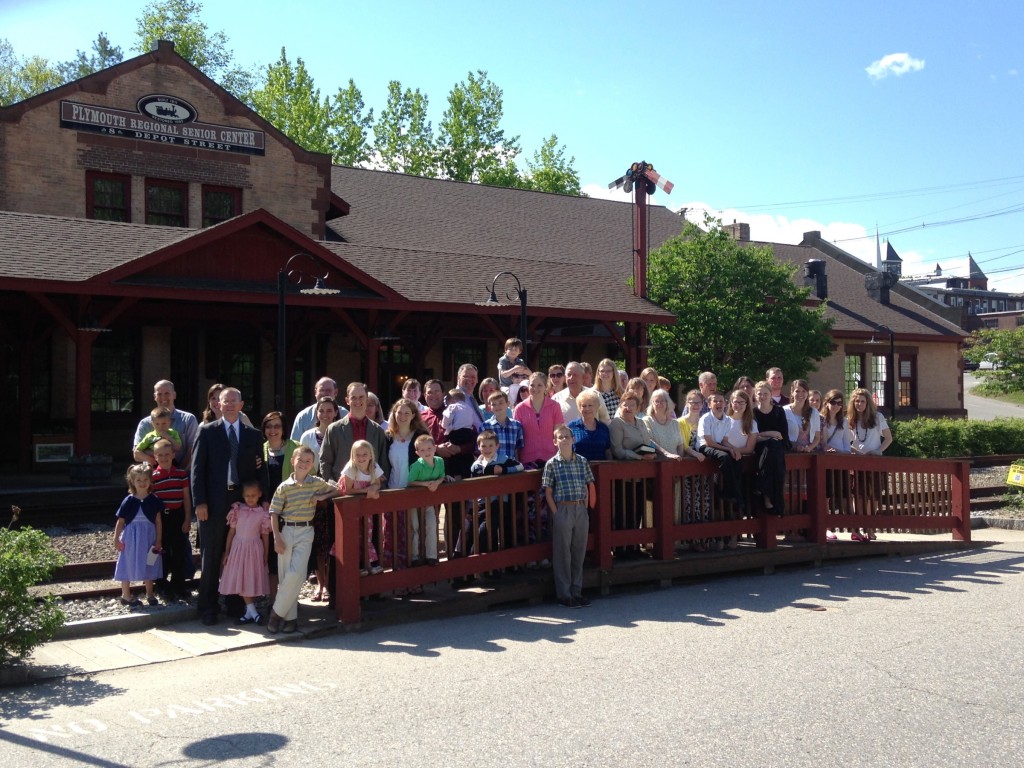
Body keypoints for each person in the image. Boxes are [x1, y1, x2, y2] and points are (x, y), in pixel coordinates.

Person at [191, 386, 267, 626]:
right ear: (218, 405)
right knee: (212, 555)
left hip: (242, 501)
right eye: (226, 401)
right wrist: (199, 502)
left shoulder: (253, 435)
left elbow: (260, 470)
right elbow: (196, 471)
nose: (230, 405)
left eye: (235, 401)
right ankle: (208, 606)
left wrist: (263, 502)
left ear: (241, 405)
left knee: (238, 554)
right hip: (213, 502)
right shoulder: (207, 432)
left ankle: (235, 604)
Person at [267, 446, 342, 634]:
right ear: (293, 461)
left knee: (297, 574)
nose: (304, 464)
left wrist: (322, 496)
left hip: (306, 530)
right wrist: (276, 538)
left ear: (313, 465)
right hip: (286, 530)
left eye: (308, 462)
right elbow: (274, 513)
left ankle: (276, 613)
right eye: (300, 460)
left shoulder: (315, 483)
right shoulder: (283, 487)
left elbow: (339, 490)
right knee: (285, 576)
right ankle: (290, 619)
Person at [543, 424, 596, 608]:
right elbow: (548, 491)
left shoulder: (582, 461)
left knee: (578, 551)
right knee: (562, 553)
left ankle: (577, 591)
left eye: (567, 436)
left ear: (573, 439)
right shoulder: (552, 464)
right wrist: (556, 513)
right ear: (555, 442)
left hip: (580, 508)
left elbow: (588, 484)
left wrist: (585, 507)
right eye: (560, 437)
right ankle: (564, 594)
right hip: (563, 509)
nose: (564, 440)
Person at [383, 398, 430, 572]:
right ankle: (395, 572)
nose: (402, 416)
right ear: (394, 414)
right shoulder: (387, 436)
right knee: (393, 532)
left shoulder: (420, 436)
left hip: (413, 490)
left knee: (414, 531)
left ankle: (414, 572)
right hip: (392, 490)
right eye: (399, 412)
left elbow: (431, 460)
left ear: (413, 416)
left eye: (406, 413)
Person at [609, 392, 655, 558]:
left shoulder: (641, 423)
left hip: (641, 475)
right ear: (620, 405)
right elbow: (618, 450)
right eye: (625, 404)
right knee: (624, 511)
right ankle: (622, 549)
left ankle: (635, 548)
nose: (628, 408)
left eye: (632, 405)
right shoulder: (616, 424)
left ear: (638, 408)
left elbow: (648, 443)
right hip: (624, 477)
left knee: (637, 511)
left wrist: (652, 453)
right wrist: (639, 457)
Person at [219, 481, 271, 625]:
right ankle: (253, 613)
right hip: (238, 548)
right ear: (243, 495)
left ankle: (249, 613)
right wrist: (227, 551)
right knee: (241, 577)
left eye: (253, 495)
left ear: (259, 495)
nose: (250, 498)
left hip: (254, 548)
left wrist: (266, 554)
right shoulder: (238, 510)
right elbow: (231, 532)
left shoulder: (263, 513)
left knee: (250, 578)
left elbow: (265, 535)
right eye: (247, 496)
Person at [113, 463, 164, 607]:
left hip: (149, 537)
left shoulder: (154, 500)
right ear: (133, 481)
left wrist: (158, 541)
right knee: (127, 562)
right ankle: (126, 595)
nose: (142, 483)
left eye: (145, 480)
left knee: (150, 562)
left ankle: (150, 593)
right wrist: (116, 538)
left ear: (150, 481)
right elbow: (121, 521)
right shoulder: (129, 500)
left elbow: (158, 522)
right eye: (139, 480)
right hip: (131, 537)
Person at [261, 411, 298, 602]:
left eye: (277, 426)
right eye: (269, 426)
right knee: (272, 559)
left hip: (292, 511)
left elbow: (309, 476)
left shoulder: (296, 449)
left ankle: (290, 600)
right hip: (267, 511)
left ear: (284, 428)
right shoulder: (260, 450)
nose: (273, 430)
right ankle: (273, 600)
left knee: (290, 557)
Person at [150, 439, 194, 600]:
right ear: (155, 457)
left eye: (167, 454)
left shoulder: (181, 474)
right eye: (160, 455)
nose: (164, 458)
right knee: (163, 553)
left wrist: (188, 518)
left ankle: (179, 585)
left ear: (173, 455)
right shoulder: (153, 477)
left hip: (178, 516)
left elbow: (186, 498)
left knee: (179, 553)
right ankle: (162, 586)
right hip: (161, 519)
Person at [848, 387, 893, 542]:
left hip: (874, 461)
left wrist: (878, 451)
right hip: (857, 461)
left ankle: (870, 526)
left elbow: (888, 438)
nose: (859, 404)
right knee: (858, 495)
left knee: (873, 496)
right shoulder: (849, 419)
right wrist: (855, 451)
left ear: (868, 402)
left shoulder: (877, 417)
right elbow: (845, 441)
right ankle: (859, 525)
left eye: (862, 401)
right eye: (856, 401)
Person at [470, 430, 525, 554]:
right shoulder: (476, 465)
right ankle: (488, 566)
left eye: (490, 446)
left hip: (499, 502)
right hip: (482, 504)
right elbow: (472, 485)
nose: (487, 449)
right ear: (478, 447)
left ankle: (503, 564)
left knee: (495, 530)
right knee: (485, 532)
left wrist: (504, 470)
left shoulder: (503, 460)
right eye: (483, 446)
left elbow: (520, 467)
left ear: (497, 446)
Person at [339, 439, 386, 575]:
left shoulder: (374, 467)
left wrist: (373, 488)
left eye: (365, 454)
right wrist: (366, 491)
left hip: (366, 508)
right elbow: (347, 490)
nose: (361, 458)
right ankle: (359, 565)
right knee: (354, 535)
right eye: (357, 455)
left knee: (368, 533)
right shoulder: (350, 468)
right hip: (351, 508)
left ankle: (371, 563)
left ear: (371, 455)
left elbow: (377, 483)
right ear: (353, 456)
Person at [132, 380, 199, 470]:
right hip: (154, 477)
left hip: (182, 476)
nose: (163, 397)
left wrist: (179, 474)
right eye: (159, 394)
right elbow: (136, 454)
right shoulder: (145, 424)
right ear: (154, 397)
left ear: (174, 395)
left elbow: (193, 450)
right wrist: (155, 455)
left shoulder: (188, 420)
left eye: (167, 393)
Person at [698, 392, 746, 512]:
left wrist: (734, 449)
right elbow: (709, 442)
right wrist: (729, 449)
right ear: (709, 404)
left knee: (738, 458)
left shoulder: (728, 420)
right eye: (715, 401)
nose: (719, 403)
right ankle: (736, 494)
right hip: (705, 446)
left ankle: (728, 491)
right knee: (725, 457)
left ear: (725, 403)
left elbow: (724, 441)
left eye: (721, 401)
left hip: (719, 445)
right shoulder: (706, 418)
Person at [677, 390, 710, 549]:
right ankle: (690, 540)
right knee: (688, 503)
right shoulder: (680, 423)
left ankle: (703, 539)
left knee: (704, 503)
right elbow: (682, 444)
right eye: (692, 402)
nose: (695, 405)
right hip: (687, 470)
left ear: (703, 404)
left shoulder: (706, 421)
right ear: (687, 404)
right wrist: (694, 453)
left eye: (698, 402)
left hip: (704, 470)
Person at [752, 381, 790, 516]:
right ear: (755, 395)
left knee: (773, 447)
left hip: (776, 448)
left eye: (765, 393)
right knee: (771, 446)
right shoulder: (752, 412)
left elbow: (782, 436)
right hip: (759, 448)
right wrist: (770, 434)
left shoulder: (779, 411)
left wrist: (765, 435)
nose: (762, 396)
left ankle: (763, 489)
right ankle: (772, 500)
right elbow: (753, 437)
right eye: (759, 393)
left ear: (770, 394)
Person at [407, 434, 445, 566]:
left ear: (435, 448)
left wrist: (437, 483)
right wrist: (425, 484)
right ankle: (415, 556)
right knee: (415, 527)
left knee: (431, 524)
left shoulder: (440, 461)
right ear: (417, 453)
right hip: (414, 500)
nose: (426, 452)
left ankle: (432, 555)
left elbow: (442, 476)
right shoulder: (417, 466)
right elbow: (410, 481)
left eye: (429, 448)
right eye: (422, 450)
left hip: (429, 501)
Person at [513, 371, 565, 468]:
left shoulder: (555, 406)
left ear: (546, 387)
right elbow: (517, 438)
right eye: (532, 385)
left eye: (539, 385)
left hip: (551, 459)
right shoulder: (520, 408)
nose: (535, 388)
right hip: (527, 461)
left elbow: (559, 434)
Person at [820, 389, 851, 541]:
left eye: (839, 403)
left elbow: (847, 445)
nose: (836, 406)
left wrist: (840, 452)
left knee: (843, 495)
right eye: (833, 402)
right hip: (824, 462)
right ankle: (827, 527)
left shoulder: (843, 422)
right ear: (826, 402)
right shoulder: (820, 419)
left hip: (840, 461)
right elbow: (821, 442)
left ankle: (852, 527)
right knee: (825, 496)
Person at [567, 389, 611, 463]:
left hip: (600, 471)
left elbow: (608, 452)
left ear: (596, 407)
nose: (587, 409)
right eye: (584, 406)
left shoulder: (604, 428)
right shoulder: (571, 427)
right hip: (578, 471)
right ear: (579, 408)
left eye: (590, 405)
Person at [482, 389, 524, 463]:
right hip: (492, 467)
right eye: (494, 404)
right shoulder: (485, 427)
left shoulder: (517, 426)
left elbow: (519, 449)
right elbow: (481, 449)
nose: (497, 406)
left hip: (511, 467)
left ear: (508, 403)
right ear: (490, 407)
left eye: (501, 403)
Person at [784, 379, 820, 453]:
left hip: (808, 454)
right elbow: (781, 435)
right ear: (792, 393)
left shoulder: (814, 412)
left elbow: (817, 437)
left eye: (803, 391)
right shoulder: (784, 411)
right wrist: (794, 447)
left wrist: (809, 448)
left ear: (807, 394)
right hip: (789, 453)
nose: (800, 394)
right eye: (797, 391)